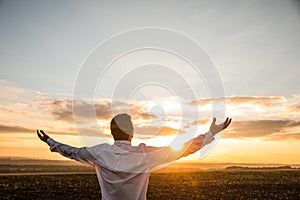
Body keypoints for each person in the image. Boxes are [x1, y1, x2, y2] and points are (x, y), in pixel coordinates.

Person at [37, 113, 231, 200]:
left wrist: (50, 142)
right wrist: (211, 133)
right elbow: (184, 149)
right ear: (132, 133)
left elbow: (71, 152)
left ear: (112, 133)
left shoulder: (98, 153)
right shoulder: (145, 154)